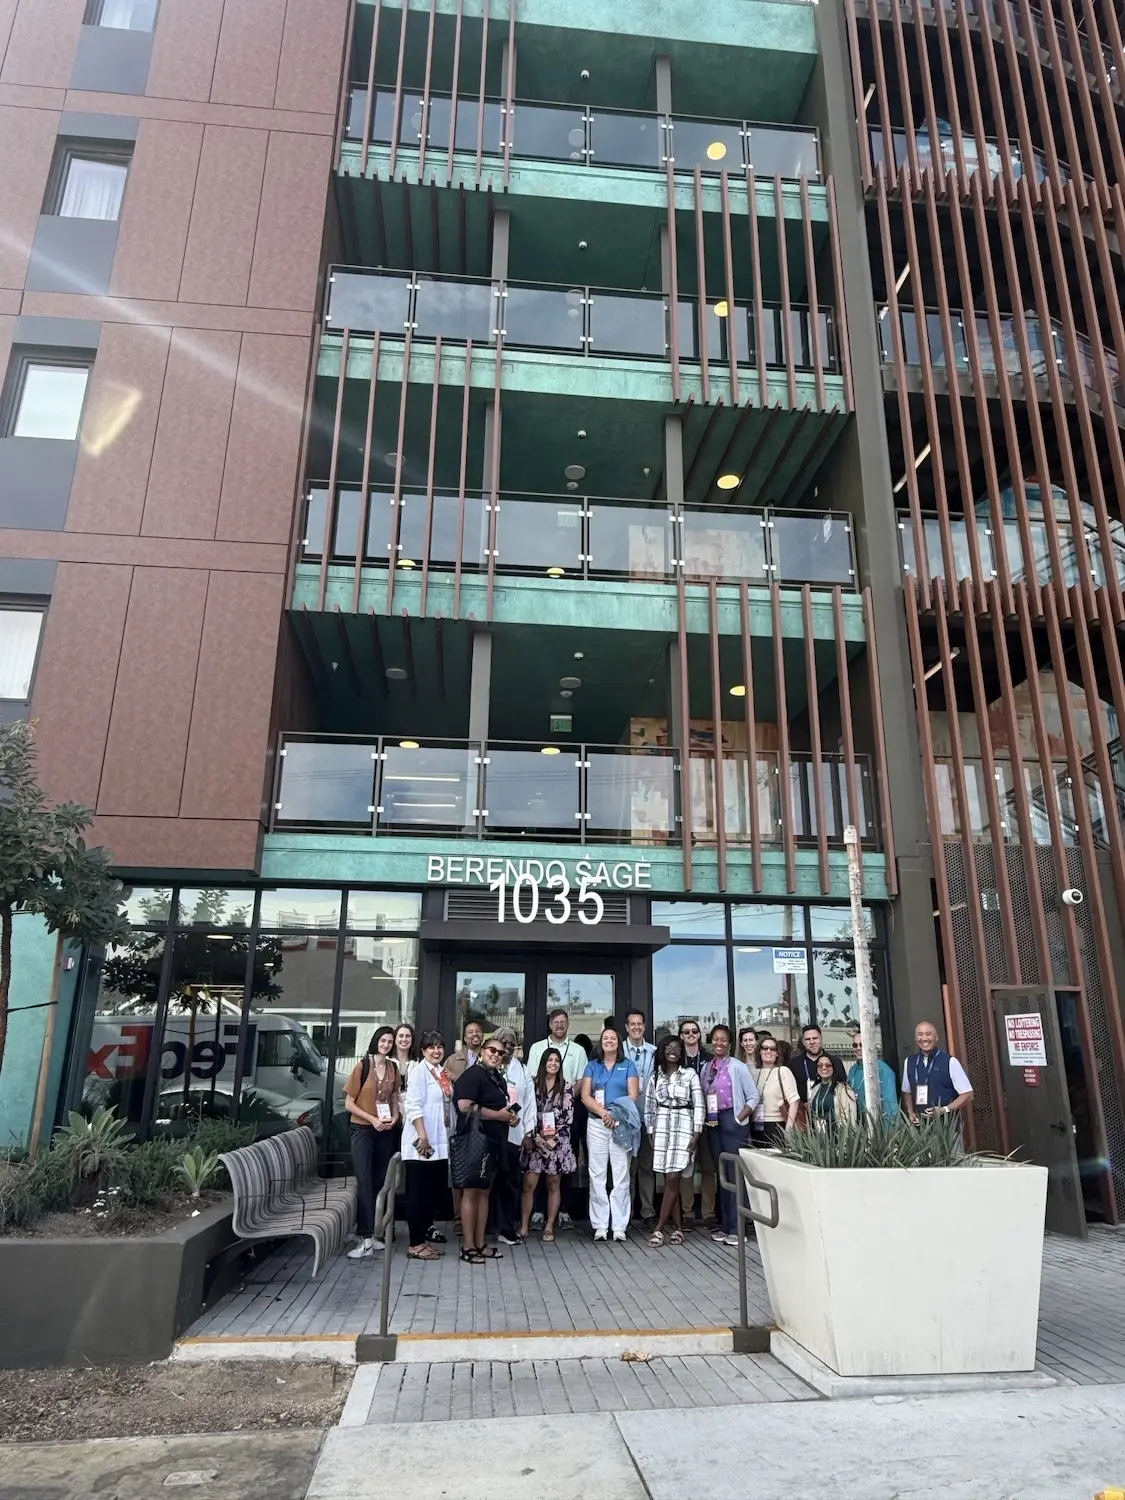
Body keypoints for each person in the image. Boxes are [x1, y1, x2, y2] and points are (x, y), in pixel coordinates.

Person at [452, 1037, 518, 1263]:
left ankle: (480, 1244)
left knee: (484, 1192)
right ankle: (467, 1246)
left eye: (501, 1053)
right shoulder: (474, 1074)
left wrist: (508, 1117)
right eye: (492, 1050)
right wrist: (498, 1115)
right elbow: (464, 1106)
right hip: (474, 1142)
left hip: (493, 1142)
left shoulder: (496, 1076)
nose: (497, 1055)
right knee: (471, 1192)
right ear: (482, 1050)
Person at [344, 1026, 401, 1259]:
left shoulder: (393, 1068)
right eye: (383, 1040)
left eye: (390, 1041)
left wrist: (395, 1118)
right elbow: (349, 1103)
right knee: (364, 1179)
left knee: (380, 1179)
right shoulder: (363, 1066)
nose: (386, 1044)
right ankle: (365, 1236)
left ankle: (374, 1235)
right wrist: (371, 1119)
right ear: (376, 1041)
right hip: (363, 1129)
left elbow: (395, 1097)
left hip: (385, 1130)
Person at [700, 1025, 760, 1246]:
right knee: (722, 1174)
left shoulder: (738, 1067)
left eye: (724, 1040)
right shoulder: (706, 1068)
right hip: (713, 1123)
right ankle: (726, 1224)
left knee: (735, 1175)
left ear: (730, 1043)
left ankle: (739, 1228)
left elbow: (753, 1096)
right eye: (716, 1039)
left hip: (732, 1122)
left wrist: (738, 1118)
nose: (719, 1043)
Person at [643, 1034, 704, 1248]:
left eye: (677, 1048)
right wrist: (650, 1133)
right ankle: (678, 1229)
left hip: (684, 1128)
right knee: (671, 1180)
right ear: (662, 1050)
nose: (673, 1051)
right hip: (661, 1129)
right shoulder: (655, 1078)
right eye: (668, 1047)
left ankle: (659, 1229)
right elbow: (649, 1107)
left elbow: (699, 1105)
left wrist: (696, 1134)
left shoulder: (690, 1075)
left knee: (674, 1178)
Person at [580, 1025, 639, 1242]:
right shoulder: (592, 1066)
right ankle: (601, 1225)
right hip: (596, 1123)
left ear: (619, 1042)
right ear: (600, 1042)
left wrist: (614, 1114)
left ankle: (620, 1225)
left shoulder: (628, 1065)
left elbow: (633, 1095)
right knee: (597, 1174)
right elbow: (585, 1096)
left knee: (621, 1175)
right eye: (605, 1037)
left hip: (620, 1124)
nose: (609, 1041)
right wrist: (604, 1113)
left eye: (613, 1038)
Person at [402, 1030, 452, 1262]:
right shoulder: (418, 1072)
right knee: (418, 1195)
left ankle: (422, 1238)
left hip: (439, 1144)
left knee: (432, 1195)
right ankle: (415, 1243)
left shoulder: (442, 1073)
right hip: (423, 1143)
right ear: (423, 1051)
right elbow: (413, 1105)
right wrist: (422, 1135)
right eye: (431, 1047)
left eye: (440, 1046)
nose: (436, 1050)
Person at [519, 1047, 575, 1242]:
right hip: (535, 1141)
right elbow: (527, 1112)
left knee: (553, 1184)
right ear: (543, 1063)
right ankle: (524, 1225)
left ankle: (549, 1226)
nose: (553, 1063)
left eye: (556, 1061)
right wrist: (536, 1137)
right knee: (529, 1184)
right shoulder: (533, 1085)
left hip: (557, 1143)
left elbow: (568, 1117)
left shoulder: (566, 1087)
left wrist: (553, 1139)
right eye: (549, 1060)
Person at [490, 1026, 537, 1246]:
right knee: (489, 1183)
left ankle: (507, 1228)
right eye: (504, 1043)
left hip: (514, 1134)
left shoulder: (522, 1070)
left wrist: (528, 1132)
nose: (507, 1048)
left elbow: (529, 1104)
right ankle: (488, 1226)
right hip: (490, 1134)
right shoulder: (488, 1067)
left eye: (512, 1045)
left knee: (510, 1183)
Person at [677, 1019, 716, 1229]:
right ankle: (688, 1213)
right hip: (684, 1120)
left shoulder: (710, 1060)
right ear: (681, 1036)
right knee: (686, 1168)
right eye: (686, 1032)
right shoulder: (676, 1058)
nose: (690, 1034)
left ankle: (709, 1213)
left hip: (708, 1120)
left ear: (700, 1035)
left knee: (709, 1167)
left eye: (694, 1031)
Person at [624, 1010, 658, 1228]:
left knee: (646, 1165)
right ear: (626, 1027)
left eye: (640, 1024)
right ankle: (624, 1214)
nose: (636, 1027)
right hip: (626, 1117)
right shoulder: (618, 1051)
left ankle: (647, 1211)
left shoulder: (654, 1052)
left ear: (644, 1027)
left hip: (647, 1115)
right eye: (632, 1024)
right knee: (624, 1167)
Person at [902, 1021, 973, 1123]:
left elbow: (968, 1094)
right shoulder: (909, 1062)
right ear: (915, 1038)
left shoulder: (950, 1062)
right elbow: (907, 1092)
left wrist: (945, 1109)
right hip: (920, 1127)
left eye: (928, 1034)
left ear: (936, 1037)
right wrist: (910, 1112)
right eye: (920, 1034)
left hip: (946, 1127)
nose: (924, 1038)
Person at [749, 1037, 801, 1148]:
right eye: (765, 1048)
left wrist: (789, 1129)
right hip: (756, 1125)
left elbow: (794, 1101)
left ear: (777, 1053)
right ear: (760, 1051)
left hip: (777, 1126)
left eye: (772, 1049)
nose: (768, 1051)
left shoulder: (783, 1071)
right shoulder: (753, 1073)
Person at [526, 1008, 589, 1086]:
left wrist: (568, 1097)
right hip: (541, 1097)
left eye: (563, 1022)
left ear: (568, 1024)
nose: (559, 1025)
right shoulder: (536, 1048)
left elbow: (581, 1081)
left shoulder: (579, 1050)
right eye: (556, 1022)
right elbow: (531, 1078)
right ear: (550, 1025)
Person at [848, 1031, 900, 1120]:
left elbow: (890, 1105)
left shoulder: (882, 1069)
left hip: (878, 1123)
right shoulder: (852, 1070)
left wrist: (888, 1131)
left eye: (862, 1045)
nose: (858, 1048)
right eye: (855, 1045)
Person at [788, 1024, 846, 1100]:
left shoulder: (835, 1062)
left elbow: (843, 1088)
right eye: (808, 1039)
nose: (812, 1042)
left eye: (815, 1038)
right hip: (803, 1109)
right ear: (803, 1042)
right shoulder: (794, 1064)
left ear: (821, 1039)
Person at [808, 1052, 859, 1132]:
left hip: (839, 1135)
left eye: (828, 1065)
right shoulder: (815, 1089)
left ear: (834, 1067)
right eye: (820, 1065)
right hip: (819, 1136)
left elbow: (851, 1118)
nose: (824, 1068)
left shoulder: (844, 1089)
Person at [443, 1016, 484, 1084]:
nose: (475, 1034)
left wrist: (456, 1078)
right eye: (470, 1032)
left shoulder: (490, 1058)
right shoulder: (452, 1060)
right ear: (465, 1038)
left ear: (482, 1035)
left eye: (478, 1031)